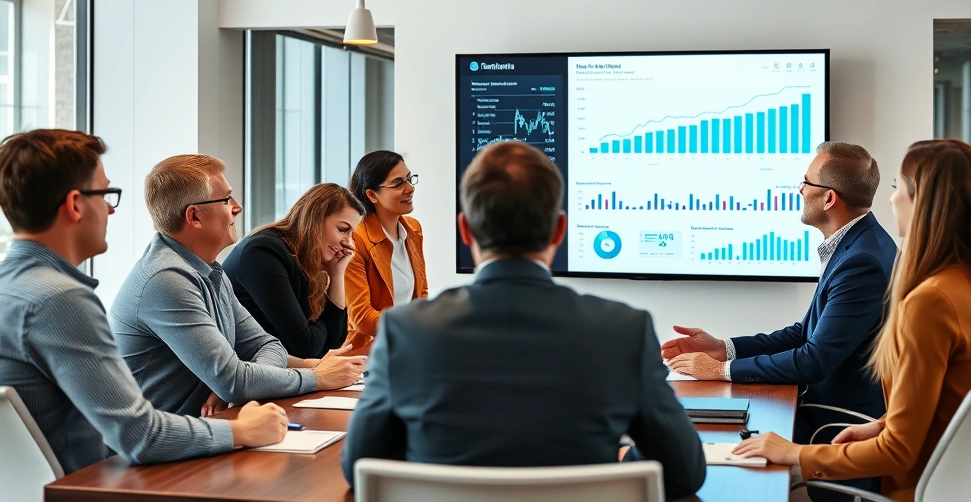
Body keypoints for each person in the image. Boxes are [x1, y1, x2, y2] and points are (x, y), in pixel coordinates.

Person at [341, 141, 706, 499]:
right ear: (559, 230)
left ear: (465, 231)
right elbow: (682, 470)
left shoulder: (406, 330)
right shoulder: (624, 329)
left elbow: (361, 463)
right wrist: (616, 474)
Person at [0, 130, 287, 474]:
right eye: (105, 194)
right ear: (75, 205)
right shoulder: (61, 299)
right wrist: (242, 430)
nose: (110, 209)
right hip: (88, 487)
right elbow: (140, 435)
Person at [733, 139, 971, 502]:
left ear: (923, 203)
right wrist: (880, 425)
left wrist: (796, 454)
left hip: (911, 488)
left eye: (897, 188)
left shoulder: (931, 301)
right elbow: (949, 403)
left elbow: (898, 452)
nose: (891, 200)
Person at [662, 142, 897, 445]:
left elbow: (814, 359)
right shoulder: (858, 243)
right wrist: (724, 348)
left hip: (834, 423)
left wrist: (721, 370)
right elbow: (804, 333)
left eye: (806, 182)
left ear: (829, 198)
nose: (800, 190)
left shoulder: (861, 262)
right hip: (818, 408)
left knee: (704, 441)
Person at [109, 155, 366, 419]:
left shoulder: (210, 270)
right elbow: (235, 382)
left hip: (202, 425)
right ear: (194, 216)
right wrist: (316, 378)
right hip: (165, 439)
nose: (237, 207)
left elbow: (268, 346)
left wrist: (244, 379)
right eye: (226, 199)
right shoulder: (166, 280)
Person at [223, 183, 366, 359]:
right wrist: (323, 325)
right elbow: (305, 346)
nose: (348, 243)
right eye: (343, 230)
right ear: (314, 219)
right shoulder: (263, 252)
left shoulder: (303, 260)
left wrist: (337, 274)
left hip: (273, 366)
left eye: (352, 234)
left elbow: (335, 341)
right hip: (243, 370)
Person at [344, 150, 428, 355]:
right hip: (363, 355)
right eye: (398, 183)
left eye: (409, 179)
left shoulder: (413, 229)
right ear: (372, 195)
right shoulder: (356, 240)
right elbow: (363, 319)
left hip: (403, 346)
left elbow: (421, 295)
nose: (410, 188)